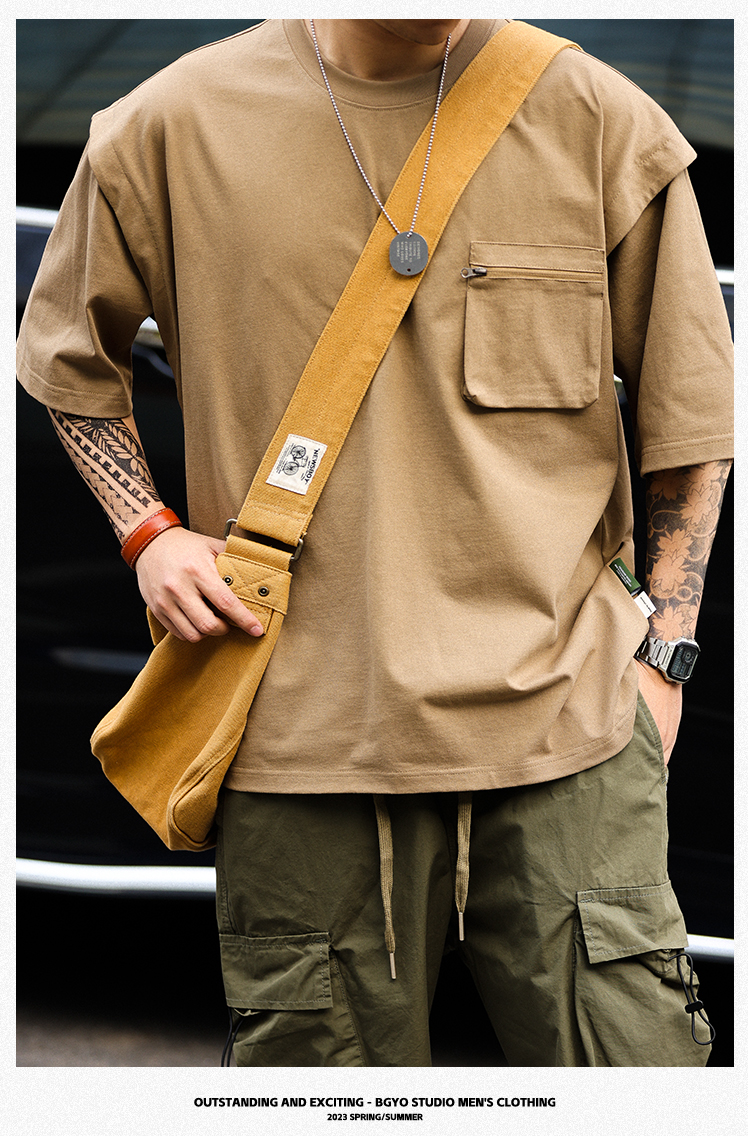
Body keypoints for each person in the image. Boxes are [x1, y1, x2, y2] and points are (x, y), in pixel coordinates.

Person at [16, 18, 733, 1067]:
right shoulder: (165, 126)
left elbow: (693, 422)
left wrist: (664, 657)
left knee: (636, 1080)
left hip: (566, 724)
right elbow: (66, 360)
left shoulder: (602, 121)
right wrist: (149, 533)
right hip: (301, 730)